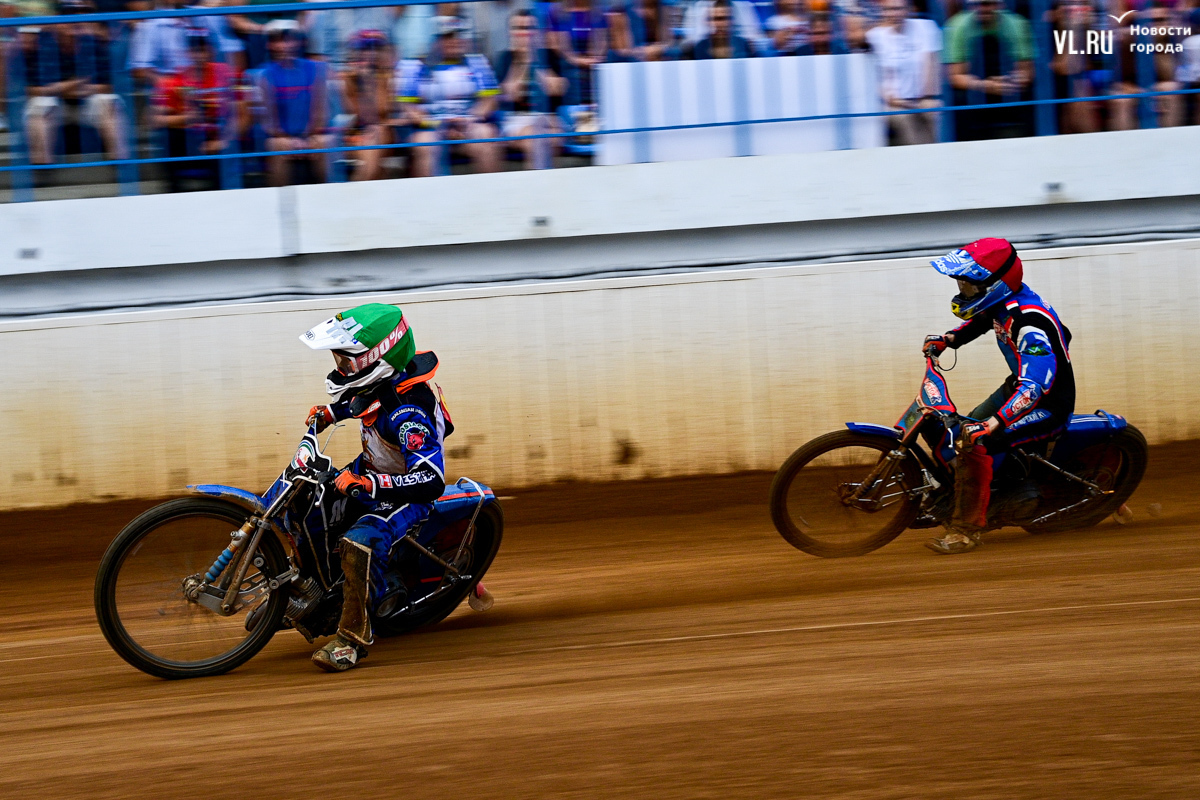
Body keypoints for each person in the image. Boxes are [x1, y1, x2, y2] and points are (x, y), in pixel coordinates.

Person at [298, 303, 452, 672]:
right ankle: (315, 591)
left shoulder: (407, 413)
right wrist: (330, 414)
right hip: (371, 471)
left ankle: (351, 640)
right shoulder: (379, 383)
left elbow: (431, 480)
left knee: (358, 544)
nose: (341, 369)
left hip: (403, 493)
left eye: (347, 362)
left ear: (378, 358)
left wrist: (370, 483)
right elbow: (359, 401)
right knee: (308, 500)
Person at [921, 238, 1075, 555]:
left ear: (994, 285)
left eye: (968, 287)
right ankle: (978, 487)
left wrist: (993, 424)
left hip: (1046, 404)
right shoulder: (1003, 303)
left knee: (975, 440)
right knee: (961, 431)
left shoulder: (1029, 324)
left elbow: (1033, 388)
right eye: (961, 285)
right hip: (1016, 387)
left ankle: (965, 531)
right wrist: (949, 339)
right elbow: (983, 320)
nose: (963, 292)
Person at [396, 16, 501, 177]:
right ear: (434, 41)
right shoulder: (415, 66)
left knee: (486, 135)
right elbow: (409, 109)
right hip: (430, 127)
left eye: (458, 35)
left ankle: (494, 196)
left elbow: (489, 101)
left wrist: (469, 120)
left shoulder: (477, 62)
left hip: (468, 124)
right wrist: (438, 125)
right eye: (448, 36)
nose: (455, 40)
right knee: (426, 144)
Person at [154, 26, 234, 191]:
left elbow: (241, 112)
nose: (199, 55)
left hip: (221, 136)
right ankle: (172, 193)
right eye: (194, 50)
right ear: (187, 53)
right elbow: (155, 120)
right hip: (191, 141)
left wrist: (223, 141)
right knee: (168, 137)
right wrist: (187, 118)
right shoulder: (175, 81)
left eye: (203, 49)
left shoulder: (226, 73)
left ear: (211, 51)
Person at [942, 0, 1034, 140]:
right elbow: (954, 75)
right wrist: (985, 85)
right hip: (972, 93)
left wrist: (1010, 82)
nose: (982, 8)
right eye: (977, 4)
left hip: (1008, 89)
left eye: (988, 3)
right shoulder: (956, 26)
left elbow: (1027, 72)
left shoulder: (1018, 24)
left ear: (1000, 4)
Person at [257, 19, 330, 186]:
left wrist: (307, 138)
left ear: (299, 42)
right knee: (277, 145)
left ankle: (329, 199)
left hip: (313, 134)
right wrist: (290, 140)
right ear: (270, 45)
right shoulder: (265, 75)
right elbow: (269, 120)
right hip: (282, 137)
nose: (284, 46)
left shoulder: (317, 69)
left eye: (289, 39)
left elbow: (320, 112)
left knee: (323, 143)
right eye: (278, 41)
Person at [495, 9, 568, 167]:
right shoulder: (505, 58)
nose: (525, 34)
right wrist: (521, 62)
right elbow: (509, 95)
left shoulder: (549, 55)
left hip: (549, 118)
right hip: (517, 120)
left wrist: (534, 60)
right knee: (536, 140)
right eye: (519, 28)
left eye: (529, 28)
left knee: (546, 139)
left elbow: (556, 88)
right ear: (511, 33)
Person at [865, 0, 942, 145]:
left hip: (924, 96)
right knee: (905, 119)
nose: (894, 14)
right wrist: (895, 100)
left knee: (932, 111)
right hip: (894, 102)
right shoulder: (876, 36)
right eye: (888, 10)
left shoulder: (925, 27)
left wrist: (924, 98)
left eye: (898, 9)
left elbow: (930, 63)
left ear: (908, 9)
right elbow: (874, 75)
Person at [339, 28, 392, 180]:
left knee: (375, 138)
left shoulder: (391, 76)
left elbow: (380, 114)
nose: (372, 53)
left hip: (382, 134)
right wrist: (361, 83)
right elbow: (352, 115)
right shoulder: (345, 78)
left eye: (376, 48)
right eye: (366, 48)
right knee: (374, 160)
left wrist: (369, 84)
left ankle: (352, 200)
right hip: (352, 135)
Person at [683, 0, 758, 58]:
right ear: (708, 22)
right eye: (716, 19)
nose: (721, 24)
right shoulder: (699, 48)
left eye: (726, 18)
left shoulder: (743, 45)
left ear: (732, 21)